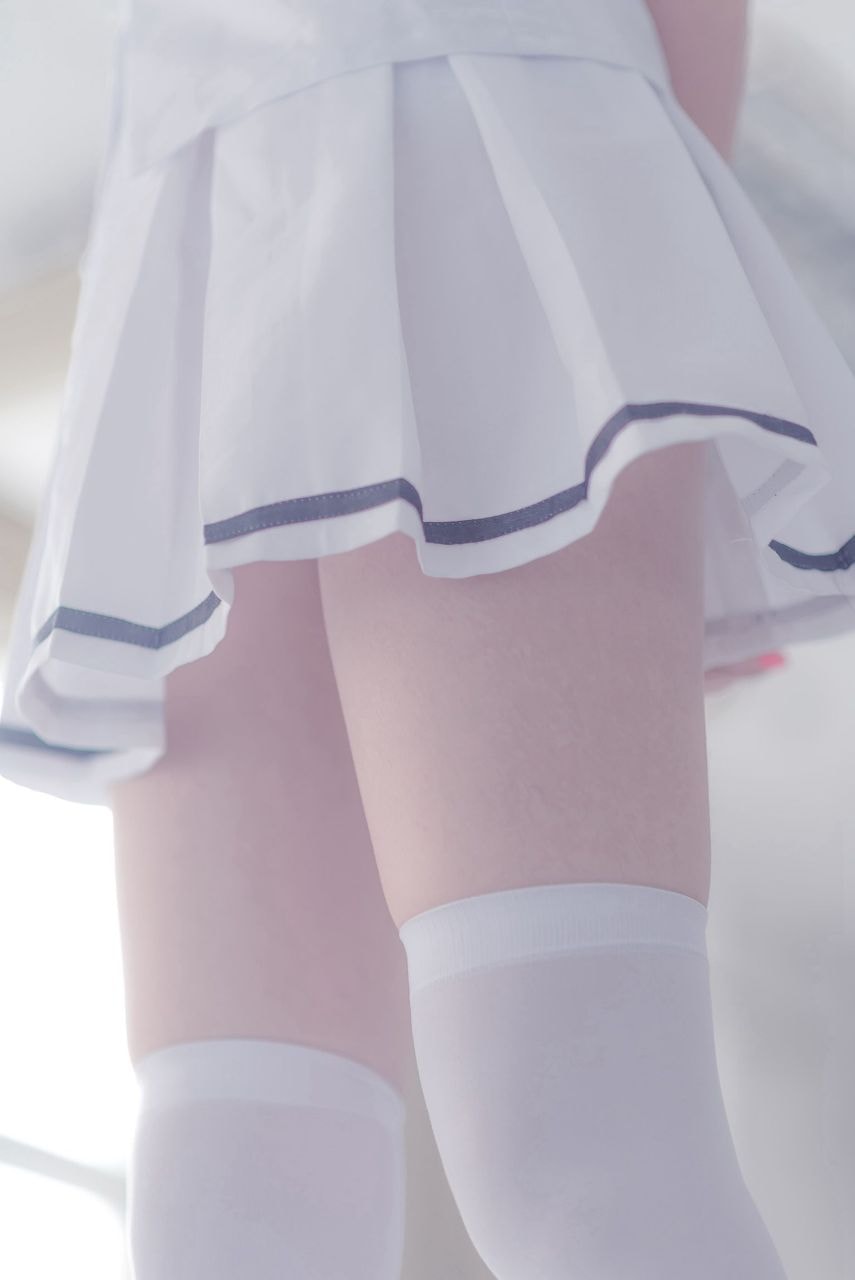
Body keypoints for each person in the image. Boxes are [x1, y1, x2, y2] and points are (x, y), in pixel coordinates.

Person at [1, 1, 854, 1276]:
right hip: (198, 208)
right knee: (236, 1204)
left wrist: (648, 318)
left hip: (479, 125)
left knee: (578, 1132)